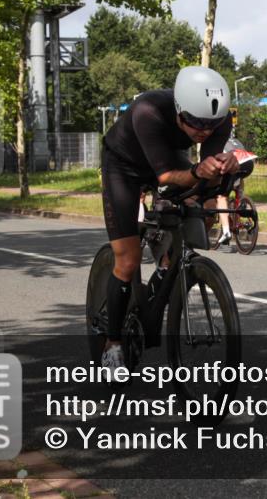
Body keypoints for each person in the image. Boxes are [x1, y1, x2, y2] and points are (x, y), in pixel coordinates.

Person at [100, 66, 239, 372]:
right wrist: (194, 173)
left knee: (195, 207)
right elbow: (164, 176)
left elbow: (206, 168)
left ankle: (167, 264)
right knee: (128, 260)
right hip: (124, 166)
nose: (204, 131)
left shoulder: (219, 120)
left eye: (211, 124)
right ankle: (113, 345)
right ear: (178, 111)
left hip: (167, 157)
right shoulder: (147, 110)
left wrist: (224, 165)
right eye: (196, 123)